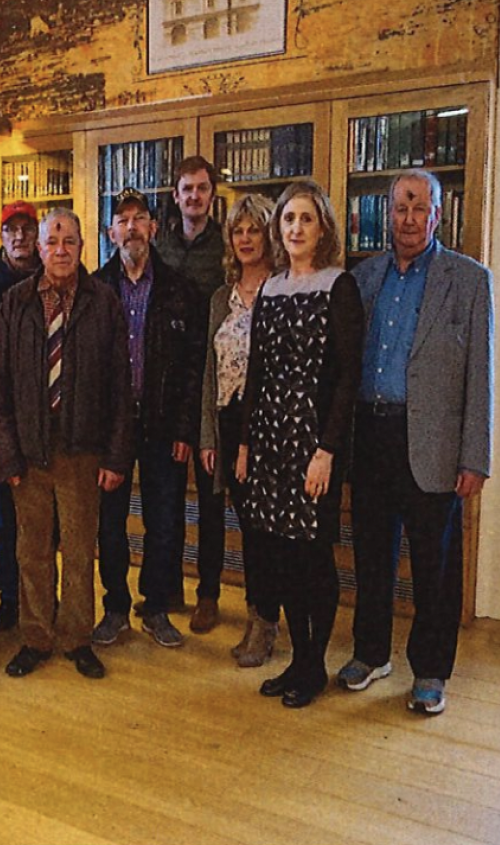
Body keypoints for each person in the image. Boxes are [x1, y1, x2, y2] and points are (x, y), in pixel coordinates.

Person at [338, 169, 493, 715]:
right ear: (388, 211)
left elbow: (481, 376)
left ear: (436, 214)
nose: (408, 218)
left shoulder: (469, 280)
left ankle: (430, 670)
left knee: (435, 565)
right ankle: (371, 653)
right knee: (372, 556)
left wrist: (475, 455)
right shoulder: (364, 277)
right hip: (371, 433)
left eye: (419, 208)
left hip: (433, 443)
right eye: (400, 207)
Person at [0, 207, 132, 680]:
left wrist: (115, 455)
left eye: (69, 241)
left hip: (82, 449)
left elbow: (119, 384)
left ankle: (76, 637)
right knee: (30, 550)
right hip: (28, 452)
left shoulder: (104, 300)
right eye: (52, 241)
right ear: (40, 248)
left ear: (83, 247)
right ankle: (36, 636)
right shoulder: (14, 302)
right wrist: (6, 453)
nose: (61, 250)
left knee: (78, 548)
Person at [236, 181, 363, 709]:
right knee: (279, 555)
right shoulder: (269, 289)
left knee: (313, 558)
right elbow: (257, 372)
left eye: (305, 219)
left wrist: (327, 449)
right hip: (268, 442)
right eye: (288, 219)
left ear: (323, 228)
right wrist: (244, 443)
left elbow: (347, 378)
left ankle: (313, 664)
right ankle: (295, 659)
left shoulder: (340, 287)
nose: (295, 229)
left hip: (313, 445)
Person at [92, 188, 200, 650]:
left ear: (153, 228)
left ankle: (156, 607)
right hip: (111, 427)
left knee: (164, 519)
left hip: (162, 424)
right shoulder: (94, 289)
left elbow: (194, 367)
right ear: (110, 231)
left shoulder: (180, 288)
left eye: (140, 218)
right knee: (109, 521)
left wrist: (185, 429)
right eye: (123, 219)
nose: (132, 227)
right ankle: (116, 606)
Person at [199, 194, 281, 667]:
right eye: (238, 231)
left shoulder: (287, 287)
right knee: (248, 526)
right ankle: (257, 614)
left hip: (271, 426)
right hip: (229, 422)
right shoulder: (220, 298)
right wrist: (210, 435)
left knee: (270, 528)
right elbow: (209, 372)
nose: (246, 238)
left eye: (254, 229)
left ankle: (266, 618)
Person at [157, 156, 227, 632]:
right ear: (176, 195)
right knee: (167, 499)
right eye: (187, 189)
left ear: (211, 194)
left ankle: (209, 592)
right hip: (166, 387)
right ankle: (168, 587)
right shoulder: (159, 243)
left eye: (202, 189)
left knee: (210, 498)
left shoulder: (227, 246)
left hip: (214, 382)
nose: (195, 197)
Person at [0, 200, 42, 632]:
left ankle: (42, 599)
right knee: (4, 520)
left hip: (43, 418)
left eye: (26, 229)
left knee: (43, 521)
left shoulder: (55, 275)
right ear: (2, 236)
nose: (19, 237)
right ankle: (8, 597)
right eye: (11, 230)